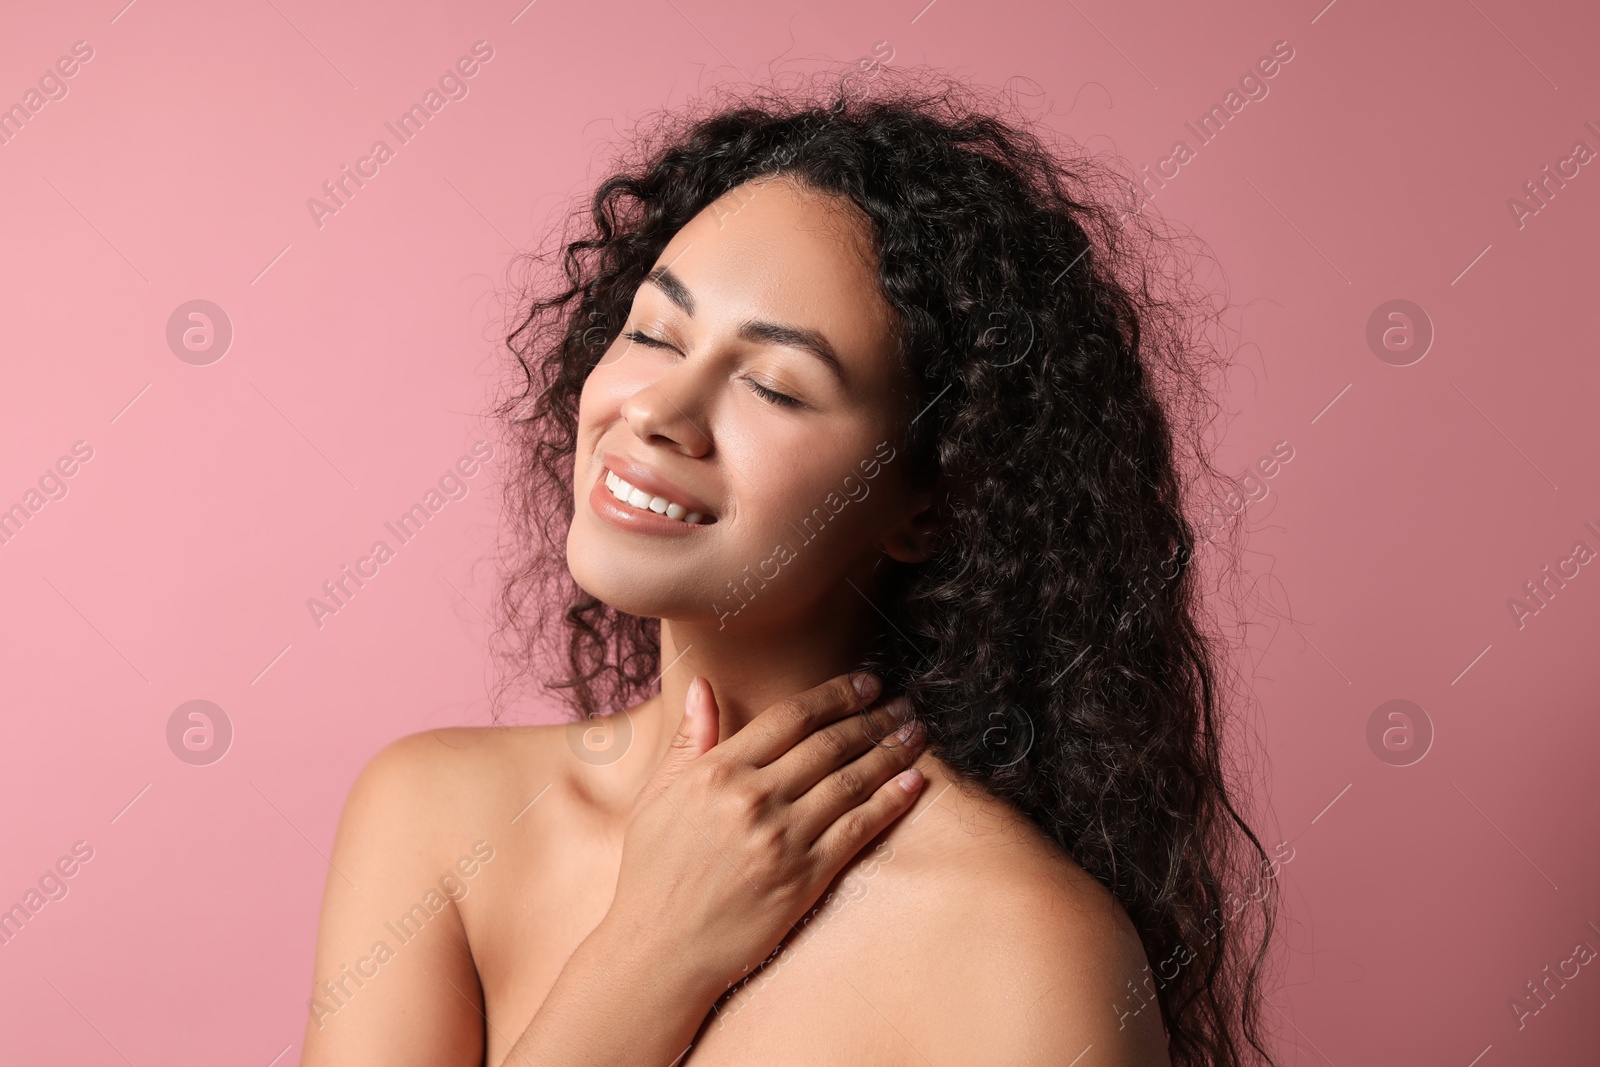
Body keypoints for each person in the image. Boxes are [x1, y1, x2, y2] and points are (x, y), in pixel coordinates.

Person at [302, 71, 1280, 1067]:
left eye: (773, 384)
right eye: (651, 331)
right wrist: (649, 954)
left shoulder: (1023, 949)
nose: (658, 412)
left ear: (928, 501)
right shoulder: (432, 820)